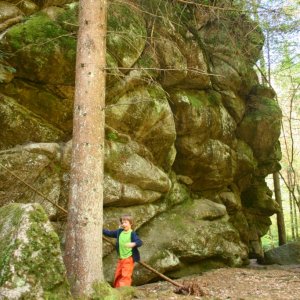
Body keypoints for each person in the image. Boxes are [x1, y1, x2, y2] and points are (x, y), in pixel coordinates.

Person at [103, 214, 143, 287]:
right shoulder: (119, 232)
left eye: (125, 222)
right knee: (118, 274)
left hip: (129, 258)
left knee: (125, 275)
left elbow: (140, 242)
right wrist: (100, 229)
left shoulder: (132, 233)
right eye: (122, 222)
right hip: (121, 259)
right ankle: (118, 290)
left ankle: (124, 290)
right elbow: (109, 233)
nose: (123, 224)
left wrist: (133, 243)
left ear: (131, 223)